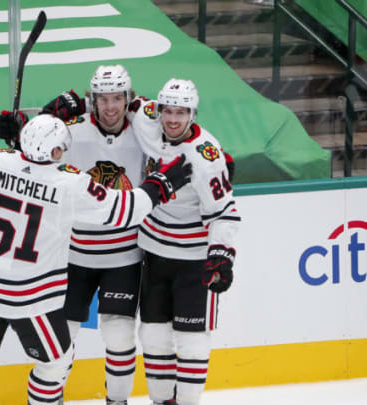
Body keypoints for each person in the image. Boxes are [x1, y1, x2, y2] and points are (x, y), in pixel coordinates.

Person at [0, 114, 192, 405]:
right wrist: (159, 186)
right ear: (57, 151)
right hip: (32, 300)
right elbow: (123, 211)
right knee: (57, 362)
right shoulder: (69, 184)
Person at [1, 65, 147, 405]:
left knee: (120, 335)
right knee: (61, 338)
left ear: (128, 98)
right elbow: (34, 152)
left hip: (123, 256)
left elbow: (175, 121)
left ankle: (117, 402)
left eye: (117, 99)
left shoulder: (146, 129)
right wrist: (19, 130)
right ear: (92, 100)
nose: (110, 107)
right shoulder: (71, 130)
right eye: (102, 99)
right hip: (73, 254)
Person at [127, 79, 241, 405]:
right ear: (159, 110)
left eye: (182, 112)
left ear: (192, 113)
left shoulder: (206, 155)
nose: (173, 119)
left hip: (193, 260)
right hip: (153, 253)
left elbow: (225, 212)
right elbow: (128, 104)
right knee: (152, 336)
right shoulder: (148, 117)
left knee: (191, 341)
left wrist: (222, 255)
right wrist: (81, 105)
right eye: (168, 111)